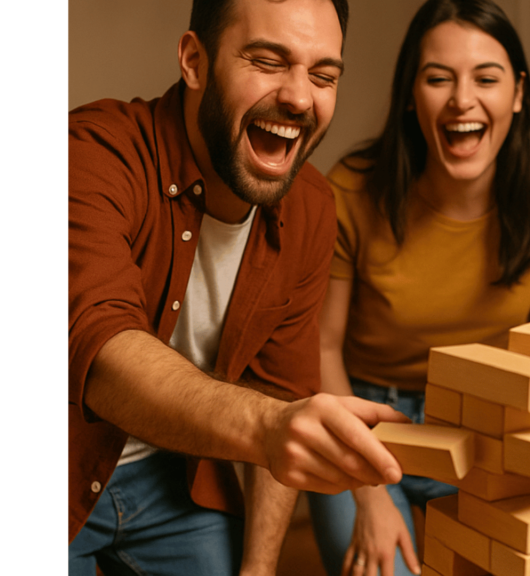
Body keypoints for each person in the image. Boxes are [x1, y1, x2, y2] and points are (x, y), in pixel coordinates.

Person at [68, 1, 410, 574]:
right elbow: (103, 351)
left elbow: (280, 390)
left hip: (178, 478)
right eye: (268, 60)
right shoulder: (90, 153)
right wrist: (269, 427)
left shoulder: (312, 207)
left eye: (323, 75)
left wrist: (258, 571)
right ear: (194, 61)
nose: (300, 97)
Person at [308, 1, 530, 575]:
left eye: (485, 78)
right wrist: (367, 493)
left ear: (517, 93)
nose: (462, 99)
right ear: (411, 95)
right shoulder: (352, 188)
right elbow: (320, 348)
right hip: (367, 418)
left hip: (491, 420)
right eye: (438, 78)